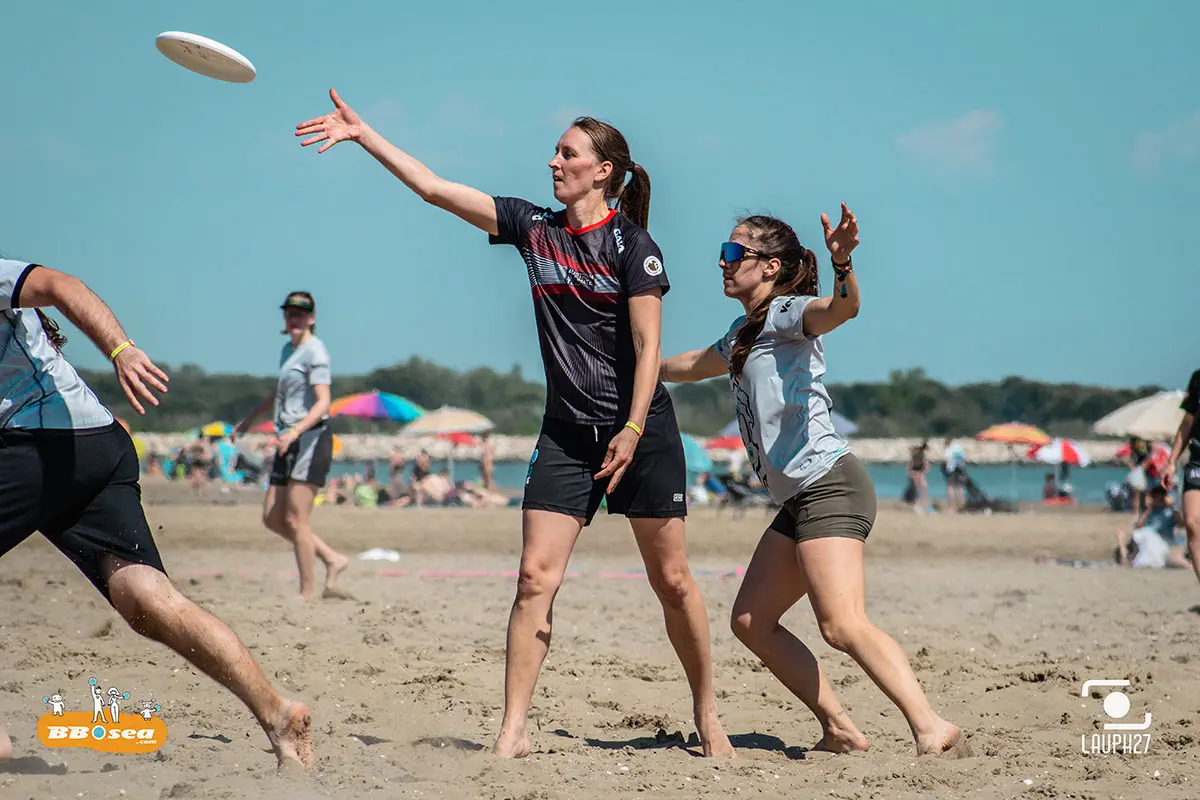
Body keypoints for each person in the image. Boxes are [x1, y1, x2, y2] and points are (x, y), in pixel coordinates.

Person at [297, 89, 732, 758]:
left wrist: (632, 429)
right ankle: (513, 731)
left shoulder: (634, 246)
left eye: (568, 153)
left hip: (640, 431)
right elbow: (435, 190)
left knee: (671, 582)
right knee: (533, 578)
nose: (553, 161)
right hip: (566, 433)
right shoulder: (535, 228)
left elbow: (650, 349)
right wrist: (364, 135)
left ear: (603, 170)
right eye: (555, 151)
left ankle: (707, 713)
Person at [659, 207, 962, 755]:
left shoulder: (786, 313)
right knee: (751, 620)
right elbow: (693, 364)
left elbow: (842, 308)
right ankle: (840, 728)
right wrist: (639, 365)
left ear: (770, 267)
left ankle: (930, 726)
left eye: (734, 254)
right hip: (799, 498)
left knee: (841, 624)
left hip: (829, 484)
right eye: (723, 253)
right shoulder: (744, 332)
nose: (722, 263)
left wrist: (842, 262)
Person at [0, 257, 313, 769]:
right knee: (147, 600)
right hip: (95, 442)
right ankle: (277, 714)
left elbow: (60, 284)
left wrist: (121, 350)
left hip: (43, 443)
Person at [234, 291, 348, 599]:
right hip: (287, 438)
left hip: (309, 438)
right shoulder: (288, 350)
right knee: (273, 517)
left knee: (297, 520)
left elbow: (323, 402)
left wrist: (295, 432)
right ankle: (332, 558)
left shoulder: (315, 351)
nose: (293, 318)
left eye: (300, 313)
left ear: (311, 318)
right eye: (289, 313)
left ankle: (307, 592)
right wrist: (250, 418)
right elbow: (280, 392)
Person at [1163, 369, 1200, 585]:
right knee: (1192, 523)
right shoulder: (1198, 378)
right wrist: (1171, 462)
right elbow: (1187, 422)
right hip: (1198, 460)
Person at [1115, 485, 1188, 569]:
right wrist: (1148, 509)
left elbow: (1181, 524)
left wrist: (1172, 507)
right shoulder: (1149, 512)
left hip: (1163, 540)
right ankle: (1127, 554)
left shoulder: (1168, 512)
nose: (1159, 501)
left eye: (1161, 498)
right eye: (1156, 498)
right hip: (1147, 540)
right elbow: (1138, 526)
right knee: (1138, 538)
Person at [941, 437, 967, 510]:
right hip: (960, 469)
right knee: (960, 487)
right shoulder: (959, 447)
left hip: (951, 469)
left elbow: (945, 460)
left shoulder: (948, 450)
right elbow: (963, 458)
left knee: (950, 487)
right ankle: (961, 504)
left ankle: (951, 505)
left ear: (947, 443)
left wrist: (944, 468)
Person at [907, 441, 932, 513]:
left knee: (923, 487)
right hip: (916, 471)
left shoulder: (919, 453)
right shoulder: (917, 453)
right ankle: (919, 504)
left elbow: (923, 463)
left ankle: (923, 503)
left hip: (919, 471)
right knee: (918, 488)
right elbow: (912, 463)